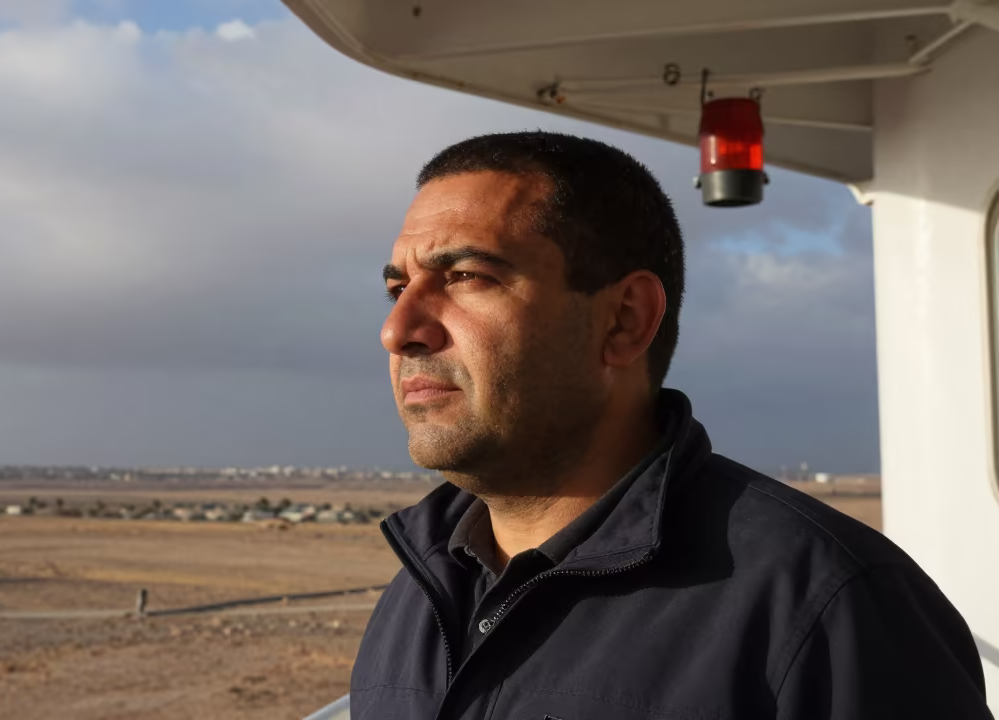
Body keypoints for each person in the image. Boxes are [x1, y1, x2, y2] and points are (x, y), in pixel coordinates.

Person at [352, 131, 990, 719]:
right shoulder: (417, 598)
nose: (398, 330)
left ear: (625, 320)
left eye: (466, 277)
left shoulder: (825, 606)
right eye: (397, 289)